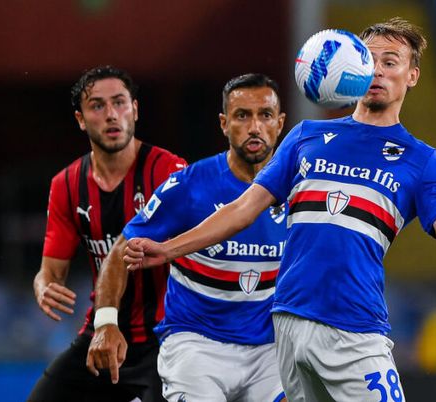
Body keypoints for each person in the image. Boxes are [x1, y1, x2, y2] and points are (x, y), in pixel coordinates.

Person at [123, 18, 436, 402]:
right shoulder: (307, 137)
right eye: (368, 60)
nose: (376, 71)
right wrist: (170, 249)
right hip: (285, 325)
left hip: (355, 331)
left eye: (390, 62)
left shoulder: (421, 160)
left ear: (412, 76)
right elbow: (243, 208)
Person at [86, 73, 288, 402]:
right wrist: (106, 322)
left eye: (264, 115)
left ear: (280, 123)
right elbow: (121, 251)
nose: (254, 127)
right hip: (197, 345)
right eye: (242, 115)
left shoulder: (298, 189)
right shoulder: (189, 187)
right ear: (224, 124)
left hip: (270, 350)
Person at [29, 65, 186, 402]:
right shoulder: (67, 185)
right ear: (81, 119)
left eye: (119, 103)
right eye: (98, 106)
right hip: (101, 334)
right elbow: (51, 270)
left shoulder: (168, 170)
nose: (112, 114)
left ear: (135, 110)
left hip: (167, 336)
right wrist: (44, 287)